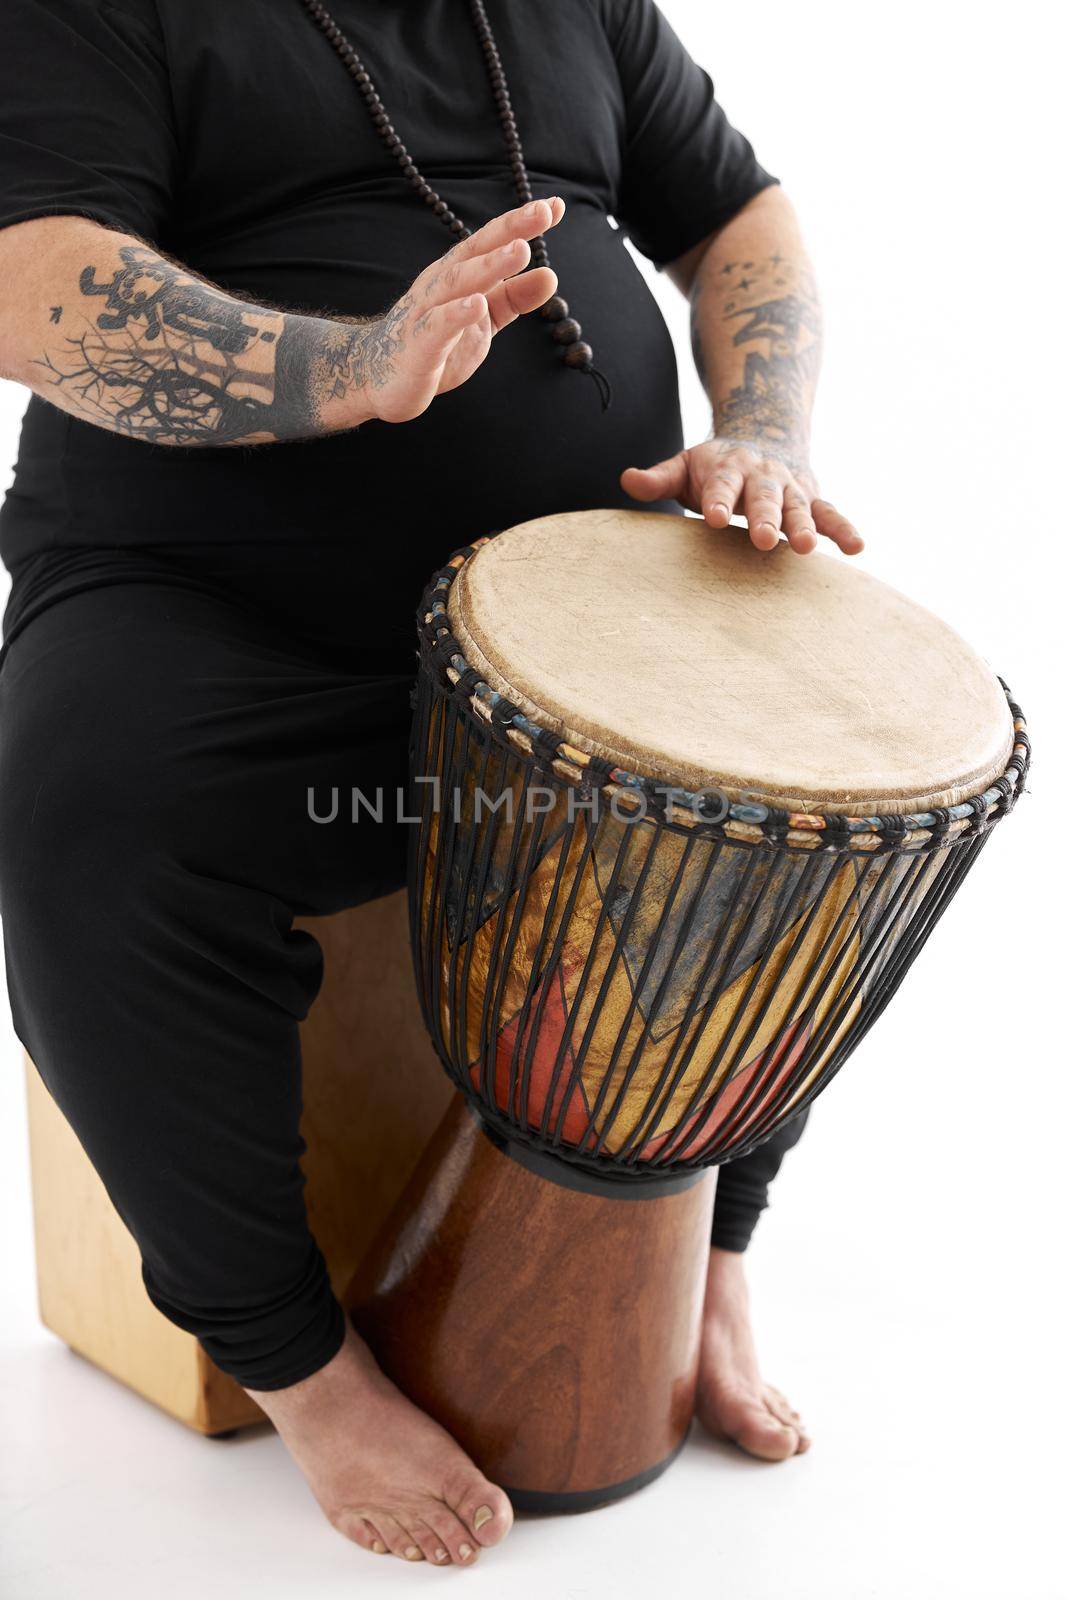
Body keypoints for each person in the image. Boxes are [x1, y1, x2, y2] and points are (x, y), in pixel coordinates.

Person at [0, 0, 860, 1568]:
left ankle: (711, 1243)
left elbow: (741, 216)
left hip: (566, 591)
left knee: (816, 761)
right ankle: (302, 1369)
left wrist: (766, 434)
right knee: (89, 825)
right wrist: (357, 367)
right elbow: (35, 284)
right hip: (207, 597)